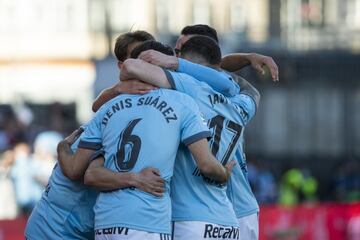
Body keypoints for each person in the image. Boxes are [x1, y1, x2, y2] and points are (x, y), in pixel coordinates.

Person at [58, 41, 234, 240]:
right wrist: (225, 173)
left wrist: (62, 146)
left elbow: (75, 170)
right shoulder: (182, 102)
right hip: (148, 222)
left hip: (106, 224)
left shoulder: (107, 108)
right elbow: (207, 165)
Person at [24, 31, 162, 240]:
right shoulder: (117, 108)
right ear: (121, 65)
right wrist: (137, 179)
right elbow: (78, 171)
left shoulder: (135, 100)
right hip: (54, 229)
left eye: (150, 56)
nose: (145, 62)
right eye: (137, 57)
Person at [121, 36, 261, 239]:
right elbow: (247, 90)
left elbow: (131, 67)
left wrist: (175, 65)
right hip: (237, 213)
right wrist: (247, 58)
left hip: (191, 217)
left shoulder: (188, 90)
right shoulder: (241, 103)